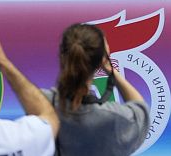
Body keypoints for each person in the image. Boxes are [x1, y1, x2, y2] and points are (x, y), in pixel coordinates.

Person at [42, 23, 149, 156]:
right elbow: (141, 110)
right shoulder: (113, 118)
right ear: (101, 60)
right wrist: (111, 70)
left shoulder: (42, 103)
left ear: (61, 56)